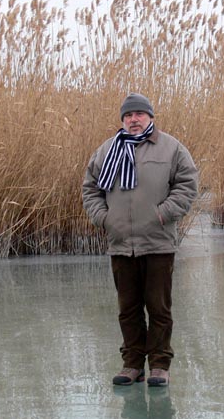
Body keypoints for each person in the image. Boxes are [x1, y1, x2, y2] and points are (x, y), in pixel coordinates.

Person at [82, 93, 198, 386]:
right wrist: (105, 219)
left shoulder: (171, 148)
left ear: (150, 117)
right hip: (121, 244)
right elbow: (90, 189)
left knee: (159, 308)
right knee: (128, 310)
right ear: (123, 119)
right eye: (128, 115)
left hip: (158, 242)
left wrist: (162, 214)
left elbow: (187, 184)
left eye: (139, 114)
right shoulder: (107, 150)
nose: (133, 119)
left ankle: (159, 365)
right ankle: (132, 364)